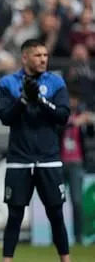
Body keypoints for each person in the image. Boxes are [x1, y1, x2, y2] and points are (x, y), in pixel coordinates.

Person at [0, 39, 71, 262]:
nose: (43, 60)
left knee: (56, 213)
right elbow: (5, 117)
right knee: (15, 214)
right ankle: (7, 260)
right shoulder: (8, 83)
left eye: (45, 55)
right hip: (19, 159)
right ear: (25, 57)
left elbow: (63, 116)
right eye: (38, 55)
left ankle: (65, 259)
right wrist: (23, 100)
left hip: (49, 158)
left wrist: (40, 100)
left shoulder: (56, 82)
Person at [60, 92, 94, 245]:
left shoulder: (83, 119)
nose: (72, 103)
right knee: (55, 202)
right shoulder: (59, 115)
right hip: (60, 163)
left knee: (77, 202)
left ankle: (78, 237)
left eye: (74, 100)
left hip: (77, 163)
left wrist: (89, 120)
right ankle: (57, 235)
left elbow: (91, 133)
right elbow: (59, 127)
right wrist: (74, 121)